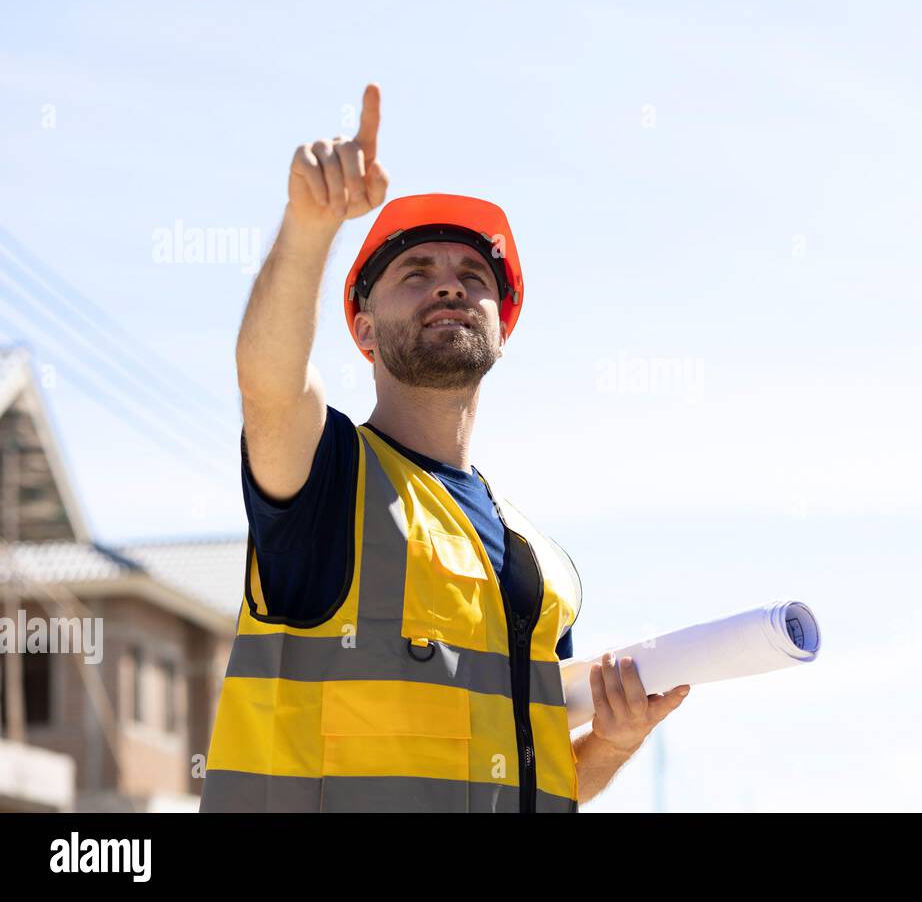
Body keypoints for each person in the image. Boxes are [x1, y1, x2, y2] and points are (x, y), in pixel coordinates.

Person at [200, 83, 688, 813]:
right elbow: (269, 383)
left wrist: (611, 746)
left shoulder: (539, 567)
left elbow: (524, 781)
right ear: (362, 330)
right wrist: (310, 227)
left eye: (472, 277)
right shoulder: (332, 484)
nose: (450, 288)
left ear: (502, 327)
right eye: (416, 274)